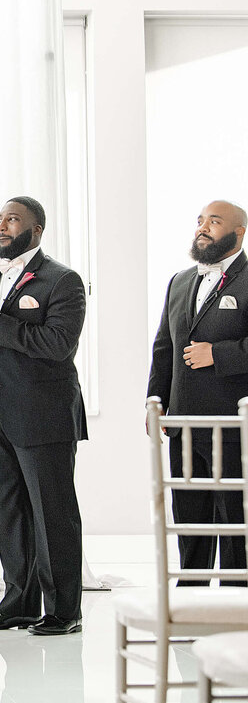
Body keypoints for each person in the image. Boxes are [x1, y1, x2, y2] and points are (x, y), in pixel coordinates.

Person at [0, 196, 87, 636]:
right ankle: (18, 603)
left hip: (45, 416)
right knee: (9, 513)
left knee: (52, 514)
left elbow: (58, 345)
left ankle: (64, 610)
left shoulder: (62, 281)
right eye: (0, 218)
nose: (3, 225)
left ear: (36, 229)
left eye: (13, 219)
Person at [147, 200, 248, 584]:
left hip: (233, 425)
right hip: (183, 422)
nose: (203, 228)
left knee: (236, 517)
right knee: (189, 516)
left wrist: (218, 355)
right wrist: (154, 401)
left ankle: (239, 609)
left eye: (215, 222)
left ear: (238, 232)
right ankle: (191, 597)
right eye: (201, 221)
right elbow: (163, 346)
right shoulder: (180, 281)